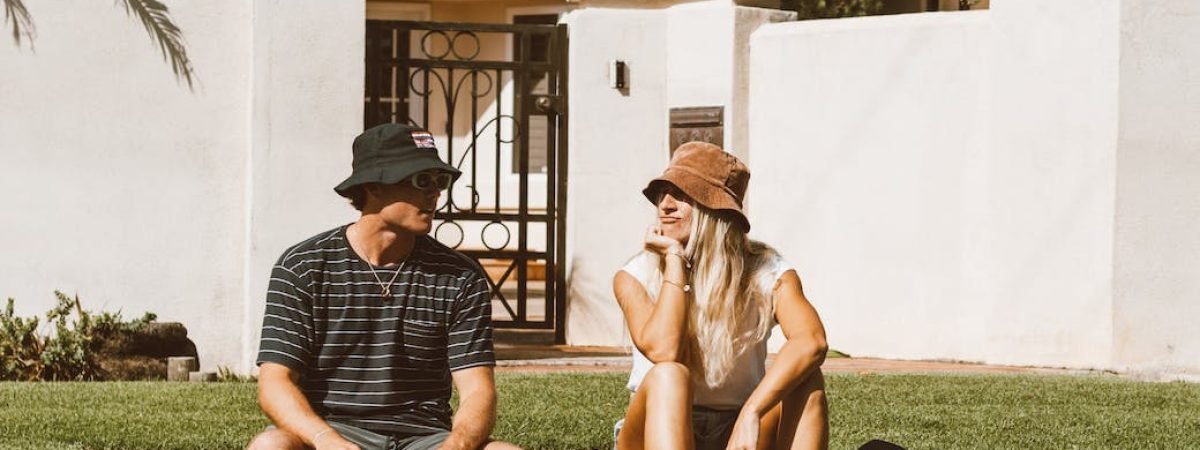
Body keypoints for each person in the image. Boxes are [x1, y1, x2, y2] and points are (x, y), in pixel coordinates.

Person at [246, 123, 521, 450]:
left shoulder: (460, 276)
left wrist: (456, 446)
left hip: (425, 437)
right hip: (331, 431)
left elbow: (478, 390)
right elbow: (275, 383)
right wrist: (329, 442)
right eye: (421, 180)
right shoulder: (303, 267)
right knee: (271, 446)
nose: (434, 192)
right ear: (373, 186)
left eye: (440, 181)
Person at [613, 142, 830, 450]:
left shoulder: (765, 270)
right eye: (663, 193)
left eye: (683, 194)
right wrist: (675, 259)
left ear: (717, 210)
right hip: (656, 428)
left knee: (806, 380)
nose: (666, 205)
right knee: (669, 376)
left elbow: (812, 342)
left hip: (738, 430)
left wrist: (751, 412)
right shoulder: (635, 274)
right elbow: (664, 351)